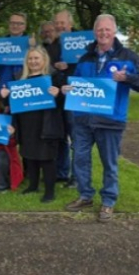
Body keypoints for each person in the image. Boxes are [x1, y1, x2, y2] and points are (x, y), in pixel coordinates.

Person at [61, 14, 139, 222]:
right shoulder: (85, 57)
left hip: (110, 121)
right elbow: (78, 85)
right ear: (95, 32)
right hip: (83, 120)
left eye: (107, 30)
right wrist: (68, 88)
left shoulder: (127, 56)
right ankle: (85, 195)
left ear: (114, 31)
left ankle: (108, 201)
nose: (103, 33)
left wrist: (126, 78)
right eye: (100, 30)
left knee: (109, 163)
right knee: (80, 160)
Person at [11, 47, 65, 203]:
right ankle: (33, 185)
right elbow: (15, 104)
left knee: (47, 158)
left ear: (44, 61)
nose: (33, 62)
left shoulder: (55, 78)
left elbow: (64, 103)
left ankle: (50, 191)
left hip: (47, 124)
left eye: (36, 58)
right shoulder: (20, 79)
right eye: (30, 59)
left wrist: (59, 95)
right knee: (29, 155)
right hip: (26, 124)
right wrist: (6, 96)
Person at [48, 10, 77, 188]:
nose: (59, 26)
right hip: (56, 96)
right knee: (59, 137)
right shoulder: (53, 45)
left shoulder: (83, 42)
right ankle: (61, 173)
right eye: (57, 23)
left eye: (62, 23)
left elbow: (88, 66)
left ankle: (76, 176)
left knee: (76, 138)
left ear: (70, 24)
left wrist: (70, 65)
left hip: (75, 97)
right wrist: (54, 66)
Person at [0, 12, 29, 91]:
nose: (15, 26)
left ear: (24, 26)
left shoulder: (31, 45)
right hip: (4, 89)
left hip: (26, 89)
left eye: (19, 23)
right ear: (8, 25)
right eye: (12, 23)